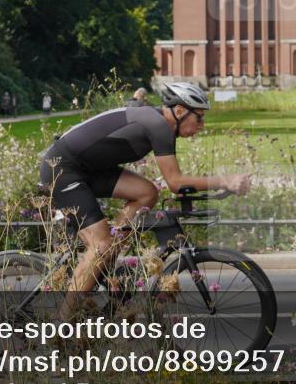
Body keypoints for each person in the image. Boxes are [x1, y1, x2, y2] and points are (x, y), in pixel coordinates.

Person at [38, 82, 249, 319]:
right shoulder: (159, 125)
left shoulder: (156, 119)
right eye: (198, 118)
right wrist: (224, 181)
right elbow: (175, 183)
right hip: (62, 168)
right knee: (101, 246)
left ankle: (108, 258)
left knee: (147, 192)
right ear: (179, 111)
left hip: (89, 169)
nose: (201, 125)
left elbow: (133, 105)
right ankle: (62, 324)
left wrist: (139, 95)